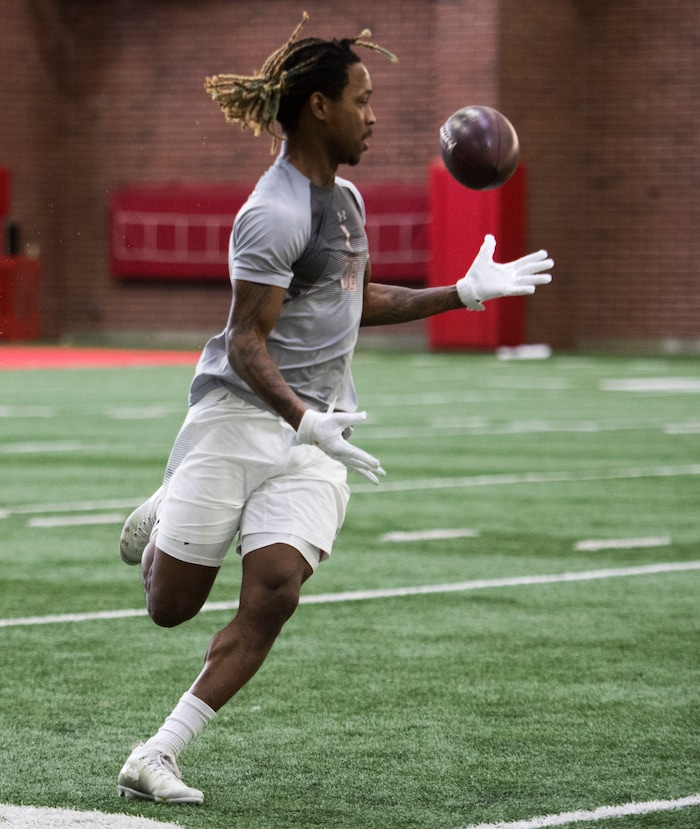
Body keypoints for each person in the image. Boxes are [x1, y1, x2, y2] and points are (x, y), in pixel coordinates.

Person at [116, 13, 553, 805]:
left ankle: (159, 752)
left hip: (319, 428)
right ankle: (168, 501)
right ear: (319, 107)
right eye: (363, 97)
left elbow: (350, 302)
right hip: (241, 414)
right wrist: (299, 416)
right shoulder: (272, 212)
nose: (374, 113)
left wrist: (460, 293)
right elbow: (249, 339)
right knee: (169, 606)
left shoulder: (345, 200)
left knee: (276, 587)